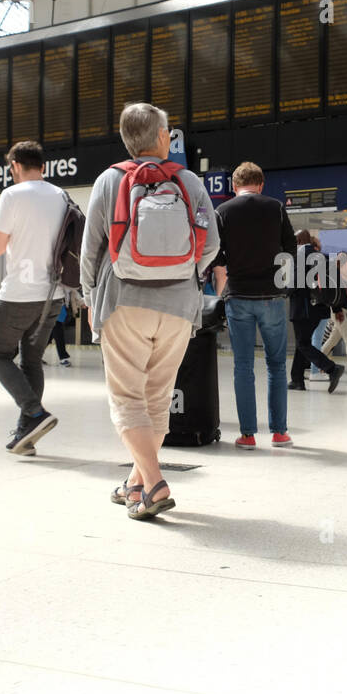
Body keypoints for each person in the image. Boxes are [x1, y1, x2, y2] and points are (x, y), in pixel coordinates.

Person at [81, 102, 219, 516]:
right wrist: (183, 275)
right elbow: (210, 245)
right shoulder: (189, 181)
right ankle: (135, 484)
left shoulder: (109, 180)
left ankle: (154, 482)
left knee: (127, 399)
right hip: (179, 306)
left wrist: (90, 299)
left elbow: (90, 251)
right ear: (162, 137)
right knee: (158, 398)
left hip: (124, 301)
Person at [0, 140, 69, 453]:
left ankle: (34, 413)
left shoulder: (12, 194)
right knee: (31, 360)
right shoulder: (60, 194)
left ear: (15, 167)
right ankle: (27, 432)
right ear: (43, 167)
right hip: (53, 294)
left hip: (20, 293)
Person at [212, 161, 298, 450]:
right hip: (272, 297)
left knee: (243, 366)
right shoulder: (275, 207)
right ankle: (279, 433)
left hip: (238, 296)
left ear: (234, 187)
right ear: (261, 185)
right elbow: (290, 248)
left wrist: (229, 261)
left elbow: (213, 253)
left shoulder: (222, 211)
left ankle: (247, 434)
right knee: (276, 365)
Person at [289, 230, 345, 393]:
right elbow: (332, 284)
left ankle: (331, 369)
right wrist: (336, 308)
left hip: (303, 308)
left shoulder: (299, 255)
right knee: (303, 342)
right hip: (319, 309)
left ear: (299, 240)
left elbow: (295, 283)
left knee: (303, 343)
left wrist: (281, 293)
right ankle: (297, 379)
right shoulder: (321, 256)